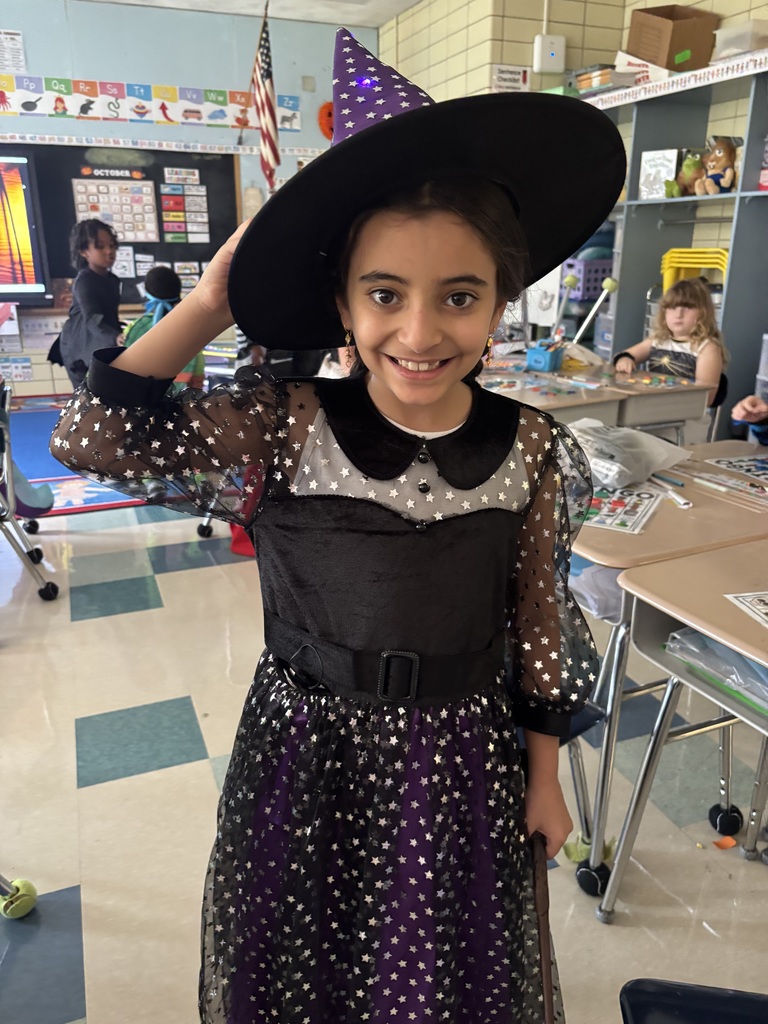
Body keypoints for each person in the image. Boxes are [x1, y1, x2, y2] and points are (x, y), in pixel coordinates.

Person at [50, 29, 625, 1023]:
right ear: (343, 305)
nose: (418, 333)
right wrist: (207, 303)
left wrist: (546, 777)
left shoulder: (533, 447)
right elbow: (91, 436)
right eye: (385, 296)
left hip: (466, 761)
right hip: (307, 752)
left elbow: (541, 624)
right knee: (306, 966)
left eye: (459, 297)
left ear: (498, 303)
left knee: (448, 970)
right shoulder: (282, 423)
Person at [613, 278, 727, 442]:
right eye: (672, 307)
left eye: (687, 307)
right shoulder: (658, 341)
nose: (678, 314)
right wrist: (624, 360)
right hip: (652, 417)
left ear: (703, 312)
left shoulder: (706, 348)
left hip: (685, 425)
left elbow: (704, 399)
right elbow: (625, 354)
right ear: (663, 312)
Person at [57, 219, 122, 388]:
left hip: (102, 341)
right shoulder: (84, 281)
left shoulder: (113, 280)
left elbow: (110, 316)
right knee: (88, 400)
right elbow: (92, 318)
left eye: (112, 245)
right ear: (84, 251)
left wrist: (121, 333)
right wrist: (115, 337)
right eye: (100, 246)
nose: (109, 251)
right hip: (79, 347)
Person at [123, 265, 205, 393]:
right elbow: (197, 379)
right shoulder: (190, 329)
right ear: (178, 293)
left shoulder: (134, 328)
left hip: (138, 404)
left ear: (146, 293)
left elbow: (122, 371)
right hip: (176, 405)